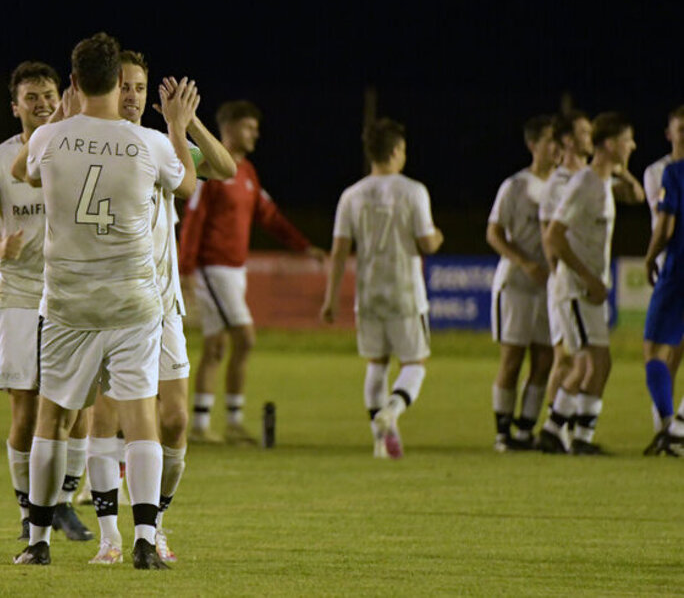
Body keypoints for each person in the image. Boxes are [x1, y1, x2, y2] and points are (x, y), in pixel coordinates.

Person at [9, 32, 198, 569]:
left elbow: (23, 171)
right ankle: (143, 536)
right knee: (140, 418)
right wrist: (179, 129)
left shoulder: (50, 138)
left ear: (71, 83)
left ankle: (39, 541)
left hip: (69, 301)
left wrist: (56, 120)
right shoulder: (148, 144)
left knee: (54, 417)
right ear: (120, 82)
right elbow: (185, 184)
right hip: (134, 301)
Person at [85, 51, 236, 566]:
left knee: (173, 421)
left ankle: (156, 524)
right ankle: (111, 536)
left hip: (162, 307)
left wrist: (186, 123)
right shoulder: (91, 144)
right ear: (108, 88)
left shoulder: (156, 145)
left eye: (138, 87)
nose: (130, 94)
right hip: (109, 303)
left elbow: (224, 168)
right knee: (107, 417)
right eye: (123, 85)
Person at [0, 61, 93, 542]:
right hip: (18, 295)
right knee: (27, 407)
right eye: (31, 96)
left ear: (63, 98)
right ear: (15, 106)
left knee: (80, 409)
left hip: (72, 294)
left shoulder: (79, 152)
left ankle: (62, 503)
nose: (41, 103)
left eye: (48, 94)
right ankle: (28, 510)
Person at [179, 100, 325, 444]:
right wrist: (186, 270)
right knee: (245, 338)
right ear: (228, 129)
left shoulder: (247, 173)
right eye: (248, 127)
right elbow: (193, 221)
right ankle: (232, 420)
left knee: (216, 346)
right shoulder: (211, 169)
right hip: (211, 269)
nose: (255, 133)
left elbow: (269, 215)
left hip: (234, 270)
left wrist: (303, 245)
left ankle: (201, 425)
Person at [321, 118, 443, 459]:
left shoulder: (352, 195)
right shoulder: (413, 190)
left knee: (376, 363)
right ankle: (391, 410)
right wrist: (438, 236)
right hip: (405, 292)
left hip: (369, 293)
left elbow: (340, 251)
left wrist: (330, 300)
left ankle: (380, 441)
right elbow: (426, 243)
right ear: (395, 151)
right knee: (415, 363)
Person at [542, 112, 642, 455]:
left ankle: (559, 431)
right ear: (611, 145)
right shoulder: (584, 184)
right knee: (591, 362)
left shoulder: (601, 183)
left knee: (596, 362)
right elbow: (554, 236)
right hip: (577, 289)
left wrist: (620, 168)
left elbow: (638, 196)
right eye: (628, 140)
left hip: (590, 289)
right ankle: (568, 435)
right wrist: (587, 278)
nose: (633, 145)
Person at [485, 116, 556, 452]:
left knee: (545, 359)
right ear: (533, 145)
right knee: (512, 358)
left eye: (560, 141)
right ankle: (503, 433)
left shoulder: (564, 185)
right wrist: (525, 262)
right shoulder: (514, 186)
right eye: (549, 140)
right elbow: (494, 233)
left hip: (549, 285)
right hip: (516, 284)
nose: (556, 147)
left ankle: (525, 430)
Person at [535, 111, 592, 452]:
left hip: (582, 280)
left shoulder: (588, 178)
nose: (592, 137)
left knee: (577, 357)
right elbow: (548, 236)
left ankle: (561, 428)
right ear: (568, 140)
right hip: (566, 281)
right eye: (585, 132)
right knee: (566, 358)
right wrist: (559, 274)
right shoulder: (557, 184)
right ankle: (554, 429)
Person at [641, 105, 684, 434]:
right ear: (669, 134)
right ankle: (667, 426)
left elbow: (664, 227)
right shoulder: (656, 171)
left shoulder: (673, 173)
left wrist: (649, 257)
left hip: (677, 266)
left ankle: (672, 426)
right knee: (671, 349)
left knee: (655, 347)